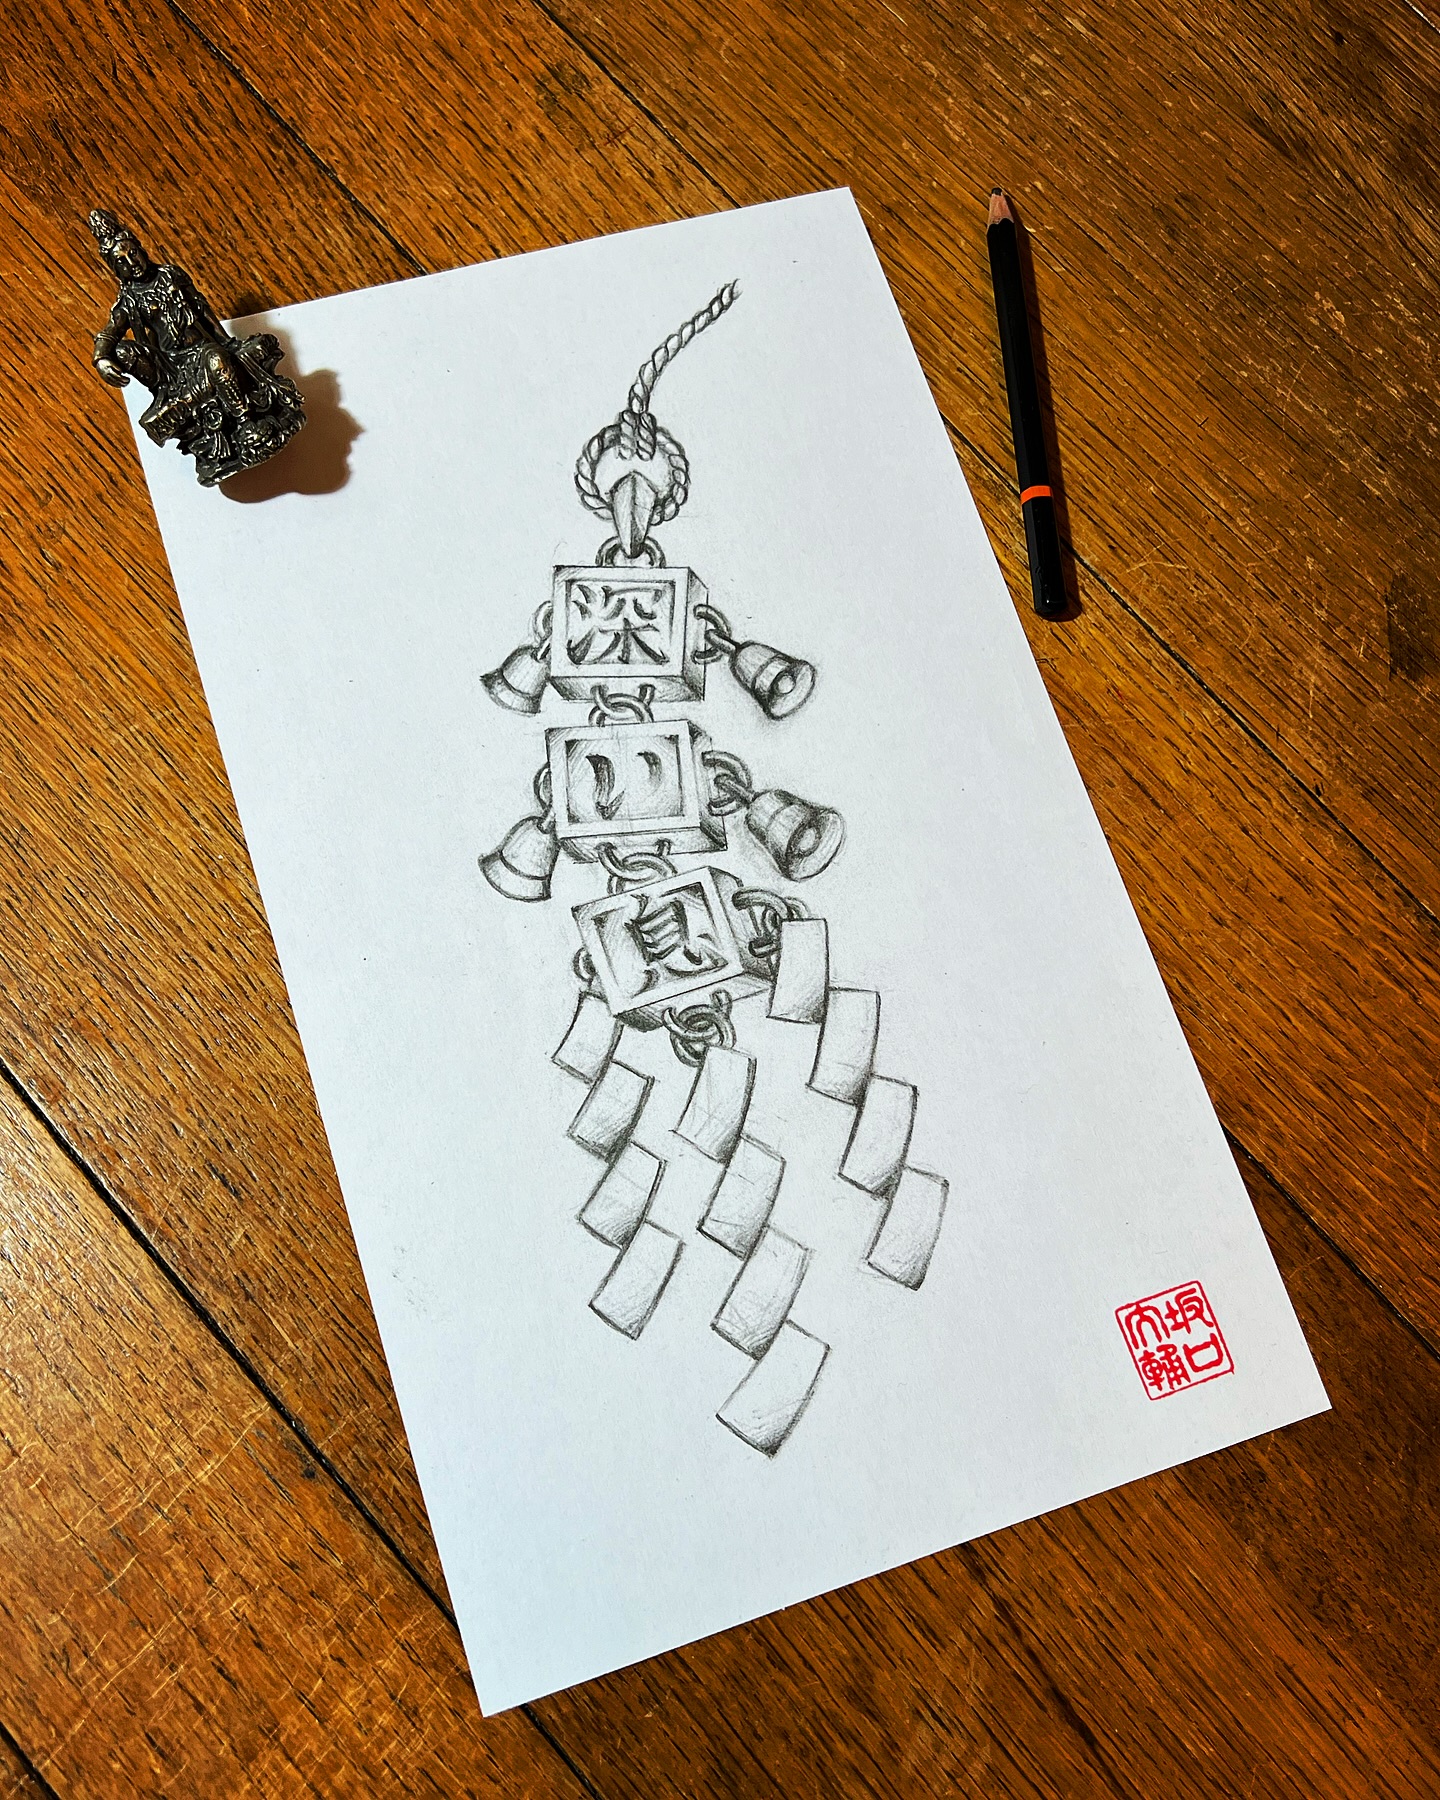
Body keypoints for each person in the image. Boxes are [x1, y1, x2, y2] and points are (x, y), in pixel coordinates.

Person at [89, 209, 305, 487]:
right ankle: (174, 401)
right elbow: (109, 333)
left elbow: (202, 310)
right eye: (121, 261)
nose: (132, 263)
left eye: (133, 253)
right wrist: (101, 357)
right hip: (171, 366)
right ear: (115, 269)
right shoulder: (129, 301)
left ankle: (245, 420)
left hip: (203, 351)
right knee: (121, 352)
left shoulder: (170, 276)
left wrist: (226, 342)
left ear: (141, 249)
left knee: (217, 359)